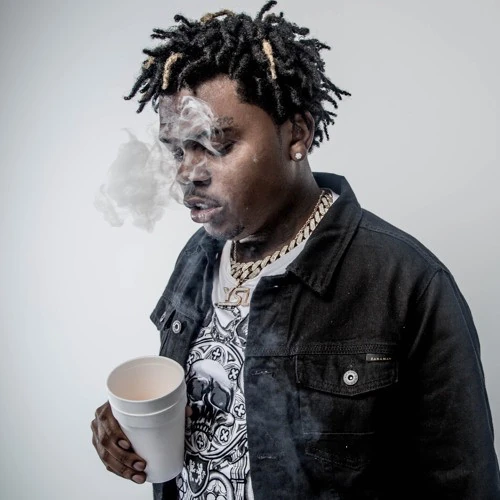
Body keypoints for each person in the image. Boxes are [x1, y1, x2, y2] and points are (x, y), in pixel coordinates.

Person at [91, 2, 500, 498]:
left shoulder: (407, 282)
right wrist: (125, 430)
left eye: (217, 144)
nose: (188, 172)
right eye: (179, 149)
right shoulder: (198, 256)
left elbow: (462, 483)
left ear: (297, 135)